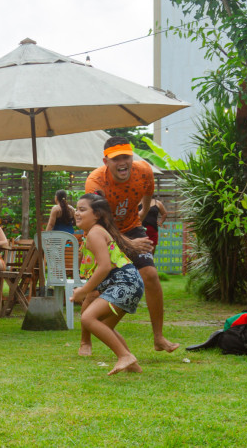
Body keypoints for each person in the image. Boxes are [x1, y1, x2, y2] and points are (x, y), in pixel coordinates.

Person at [84, 136, 178, 353]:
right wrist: (129, 243)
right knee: (96, 288)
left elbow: (148, 194)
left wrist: (142, 215)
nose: (122, 162)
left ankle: (159, 338)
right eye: (116, 159)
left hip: (131, 227)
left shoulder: (144, 170)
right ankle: (85, 340)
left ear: (132, 156)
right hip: (103, 231)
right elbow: (102, 223)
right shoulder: (95, 183)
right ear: (106, 161)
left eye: (126, 156)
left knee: (151, 276)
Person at [69, 193, 145, 375]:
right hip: (131, 282)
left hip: (124, 283)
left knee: (88, 318)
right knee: (105, 326)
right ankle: (132, 365)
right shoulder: (95, 232)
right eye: (76, 209)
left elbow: (104, 267)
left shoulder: (95, 233)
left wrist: (83, 290)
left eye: (82, 209)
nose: (77, 213)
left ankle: (124, 357)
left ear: (96, 214)